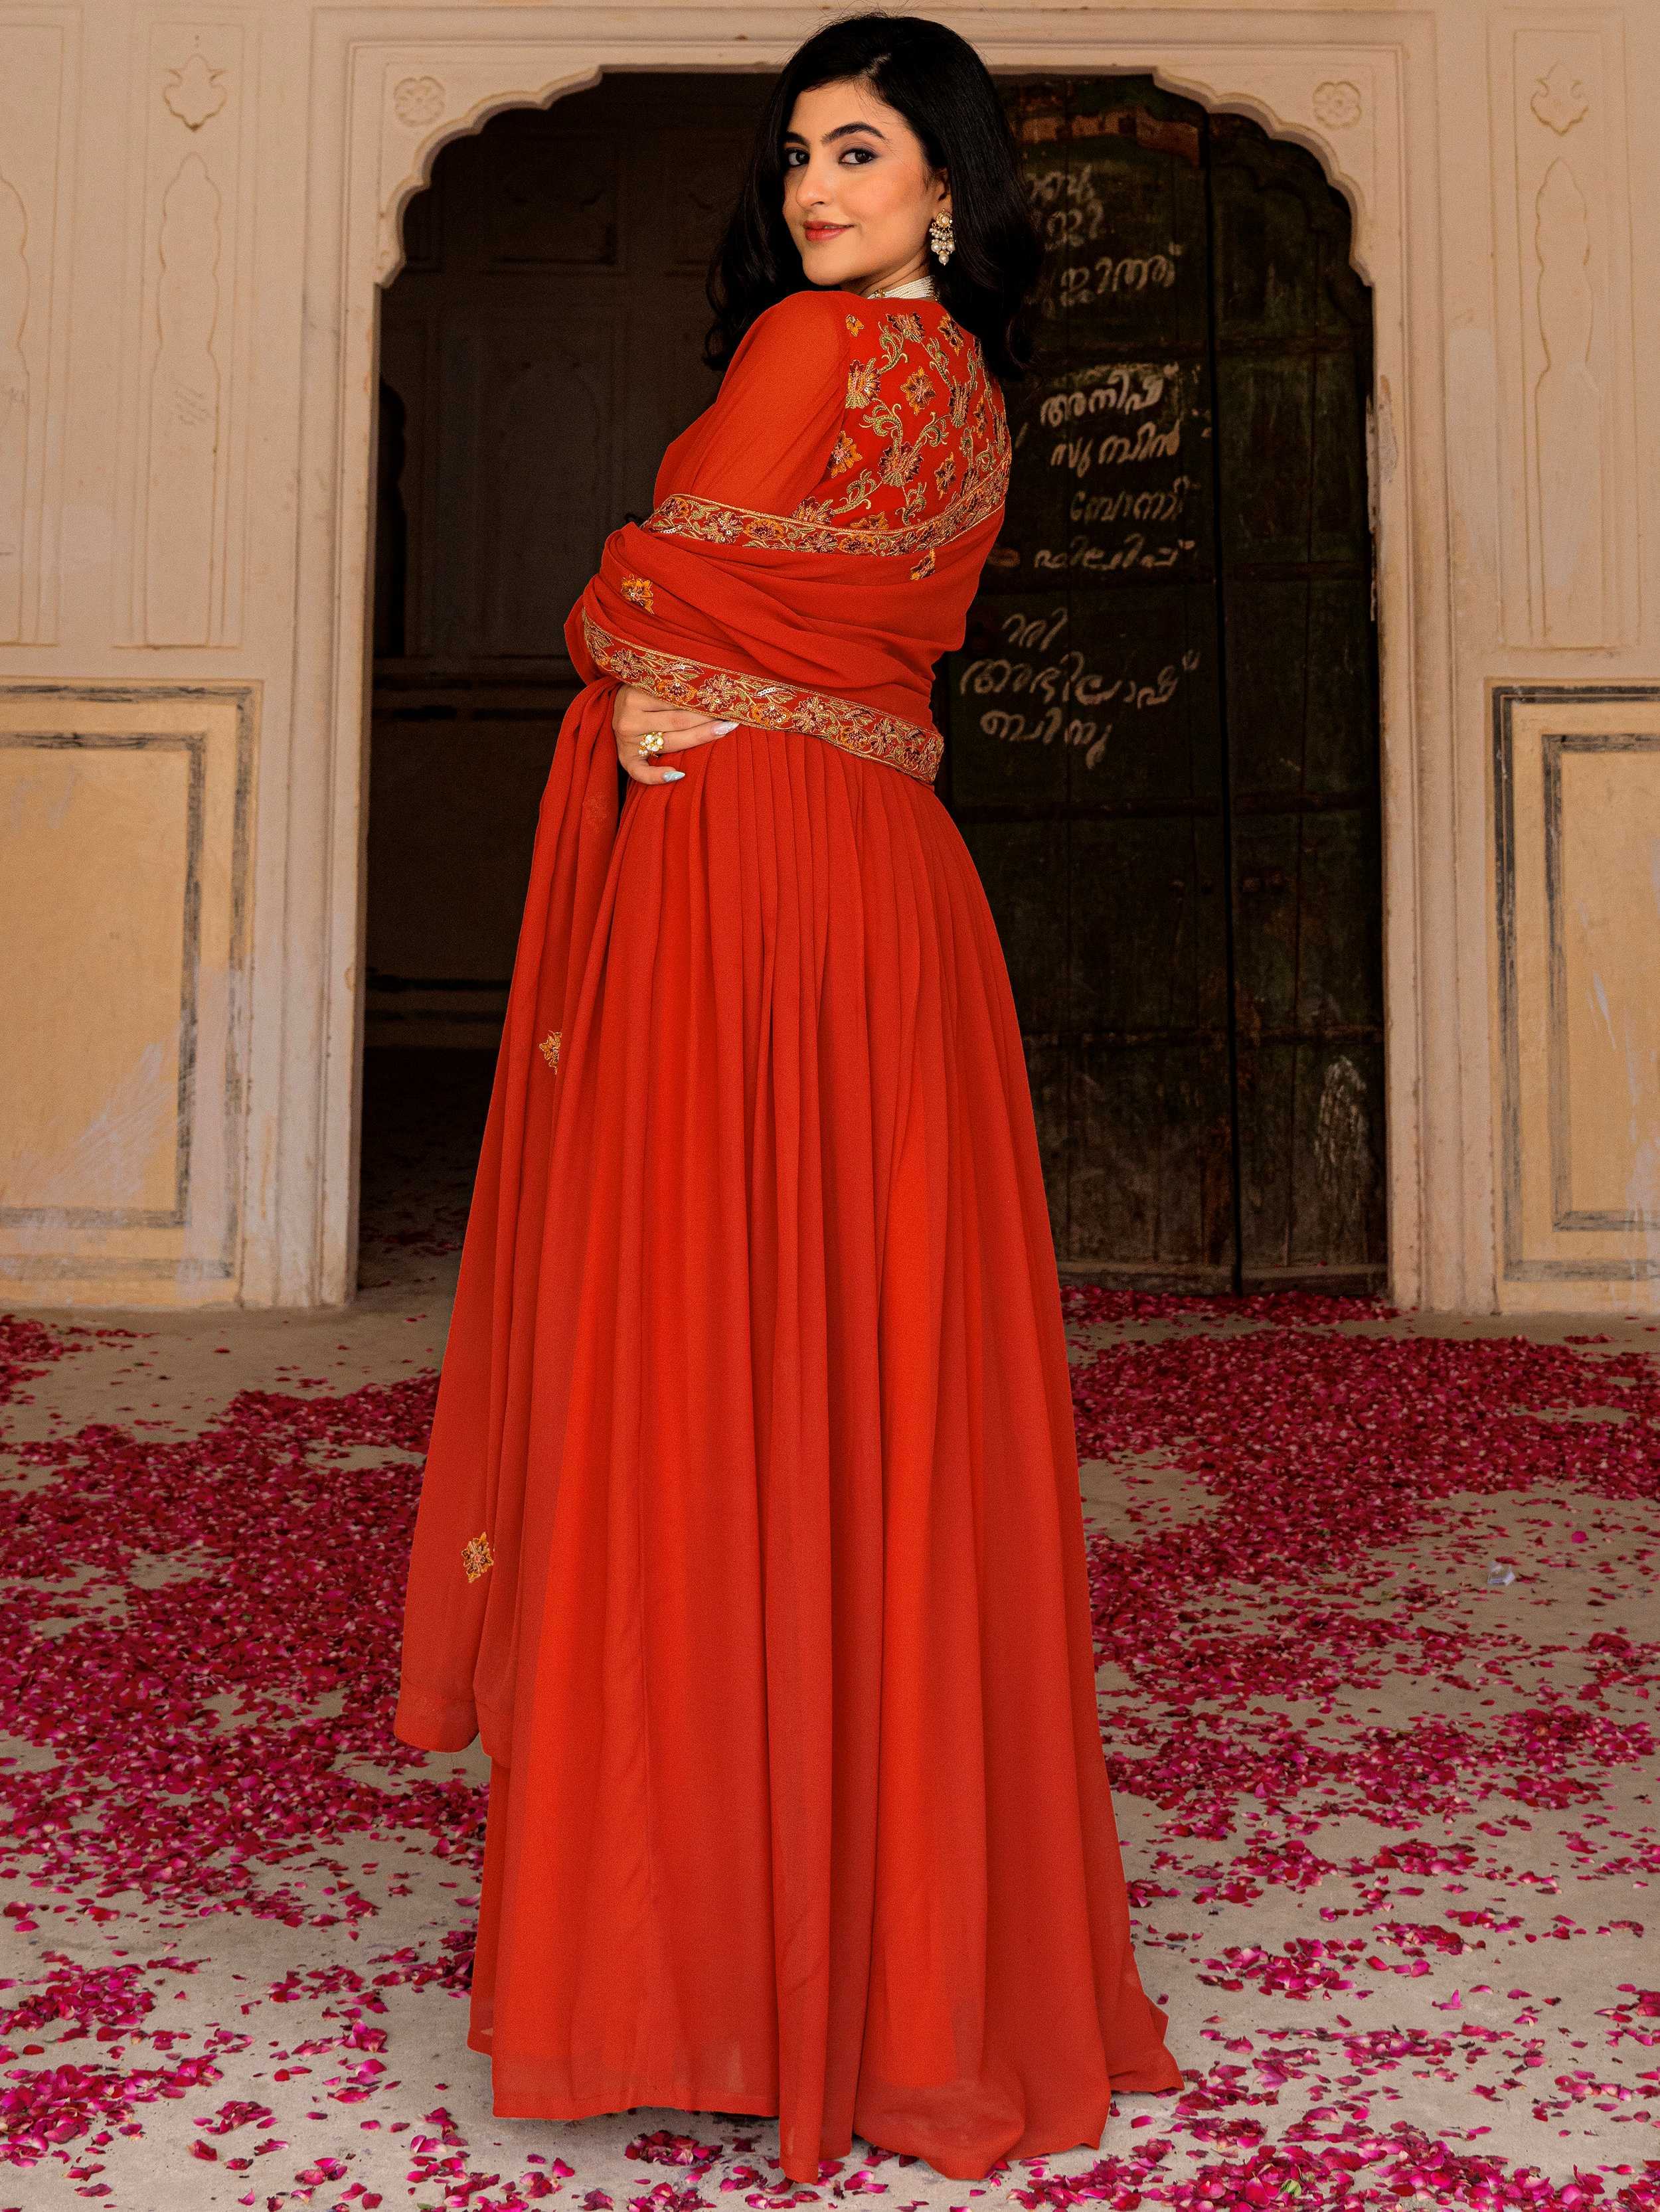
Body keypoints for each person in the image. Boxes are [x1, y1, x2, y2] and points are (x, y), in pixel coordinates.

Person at [393, 12, 1183, 2185]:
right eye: (798, 154)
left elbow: (652, 580)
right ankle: (890, 1956)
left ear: (947, 177)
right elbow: (788, 624)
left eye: (864, 147)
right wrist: (668, 671)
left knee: (696, 1385)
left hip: (749, 894)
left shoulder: (814, 359)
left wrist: (620, 656)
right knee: (874, 1406)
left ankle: (708, 1966)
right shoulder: (971, 395)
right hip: (894, 905)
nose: (819, 187)